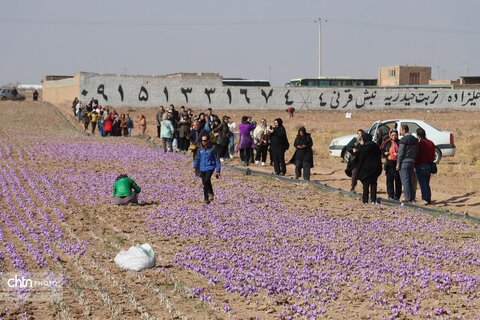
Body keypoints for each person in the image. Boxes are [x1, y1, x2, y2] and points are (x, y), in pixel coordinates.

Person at [193, 135, 221, 204]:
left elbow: (217, 159)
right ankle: (209, 195)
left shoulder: (213, 148)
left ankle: (207, 197)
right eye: (202, 140)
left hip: (210, 167)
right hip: (202, 167)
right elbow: (197, 158)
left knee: (206, 180)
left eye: (205, 140)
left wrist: (218, 170)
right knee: (205, 182)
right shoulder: (200, 148)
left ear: (208, 140)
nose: (203, 142)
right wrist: (195, 166)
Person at [356, 133, 382, 204]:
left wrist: (358, 170)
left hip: (366, 169)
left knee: (366, 185)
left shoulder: (364, 147)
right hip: (375, 169)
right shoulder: (376, 146)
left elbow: (361, 159)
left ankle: (365, 201)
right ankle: (373, 200)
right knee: (373, 184)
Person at [396, 124, 419, 203]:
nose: (399, 131)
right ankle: (412, 197)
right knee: (410, 181)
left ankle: (408, 199)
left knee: (405, 181)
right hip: (412, 162)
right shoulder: (415, 139)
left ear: (403, 130)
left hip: (404, 162)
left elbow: (401, 153)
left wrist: (398, 163)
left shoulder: (403, 140)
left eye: (400, 130)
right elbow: (417, 151)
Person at [415, 128, 435, 205]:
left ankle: (425, 199)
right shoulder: (431, 143)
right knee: (426, 182)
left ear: (418, 135)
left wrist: (415, 164)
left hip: (421, 165)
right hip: (429, 165)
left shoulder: (420, 144)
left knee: (423, 183)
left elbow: (417, 155)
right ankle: (428, 198)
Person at [381, 129, 402, 200]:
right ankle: (390, 195)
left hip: (397, 164)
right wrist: (385, 153)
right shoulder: (387, 142)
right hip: (389, 164)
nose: (394, 136)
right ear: (390, 135)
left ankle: (397, 196)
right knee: (389, 181)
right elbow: (382, 151)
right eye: (392, 135)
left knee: (398, 181)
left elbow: (402, 152)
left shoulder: (400, 143)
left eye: (395, 135)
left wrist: (398, 154)